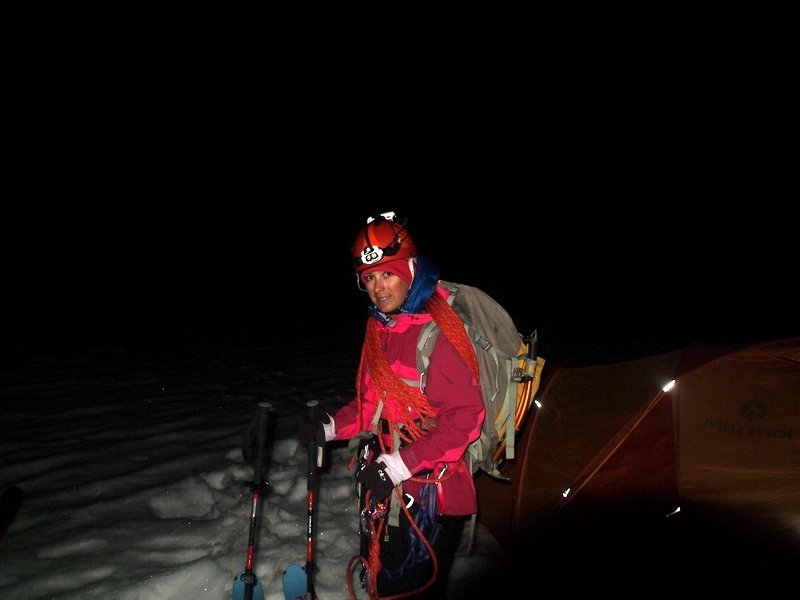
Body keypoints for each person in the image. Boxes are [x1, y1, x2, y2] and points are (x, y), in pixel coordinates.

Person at [299, 211, 486, 599]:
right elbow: (372, 406)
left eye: (387, 273)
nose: (378, 288)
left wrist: (400, 465)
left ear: (411, 270)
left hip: (431, 495)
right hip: (386, 484)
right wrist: (332, 427)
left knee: (409, 590)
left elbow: (464, 421)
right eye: (369, 278)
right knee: (381, 579)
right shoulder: (382, 329)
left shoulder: (440, 332)